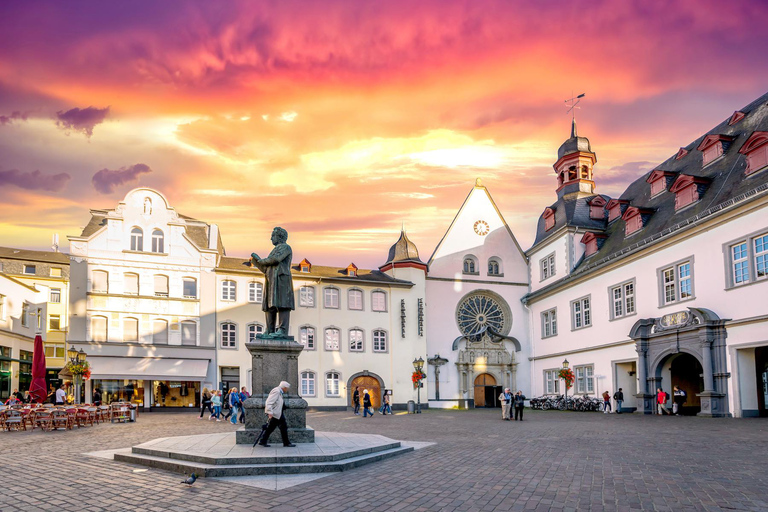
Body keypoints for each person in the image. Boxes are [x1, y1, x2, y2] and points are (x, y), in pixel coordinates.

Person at [250, 227, 295, 337]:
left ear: (279, 236)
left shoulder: (285, 247)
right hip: (271, 280)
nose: (271, 238)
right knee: (269, 306)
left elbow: (276, 259)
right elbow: (267, 269)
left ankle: (282, 331)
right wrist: (257, 262)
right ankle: (270, 331)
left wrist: (261, 260)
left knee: (282, 304)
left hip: (281, 280)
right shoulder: (274, 250)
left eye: (273, 236)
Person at [258, 381, 296, 447]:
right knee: (278, 427)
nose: (287, 390)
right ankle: (286, 443)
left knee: (273, 427)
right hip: (276, 413)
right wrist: (269, 412)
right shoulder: (277, 391)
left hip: (278, 413)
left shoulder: (279, 391)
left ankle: (263, 441)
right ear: (284, 387)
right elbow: (269, 402)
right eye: (286, 388)